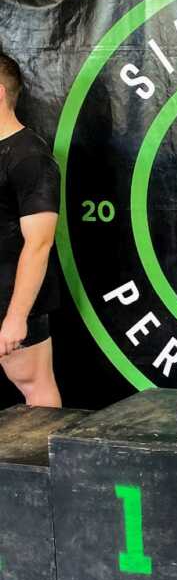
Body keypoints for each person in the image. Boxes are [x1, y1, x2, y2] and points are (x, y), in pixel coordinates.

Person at [0, 52, 62, 407]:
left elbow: (39, 244)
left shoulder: (30, 158)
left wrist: (15, 317)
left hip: (9, 301)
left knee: (35, 389)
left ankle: (45, 464)